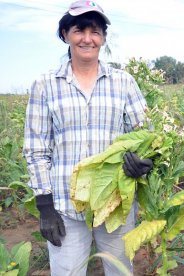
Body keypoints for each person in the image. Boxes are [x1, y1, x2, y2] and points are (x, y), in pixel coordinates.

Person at [23, 1, 153, 275]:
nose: (87, 38)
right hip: (65, 208)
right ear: (65, 35)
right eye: (79, 30)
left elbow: (146, 135)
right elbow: (36, 150)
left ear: (103, 38)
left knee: (120, 270)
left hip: (115, 203)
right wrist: (45, 207)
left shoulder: (124, 82)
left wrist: (144, 161)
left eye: (95, 31)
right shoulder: (45, 85)